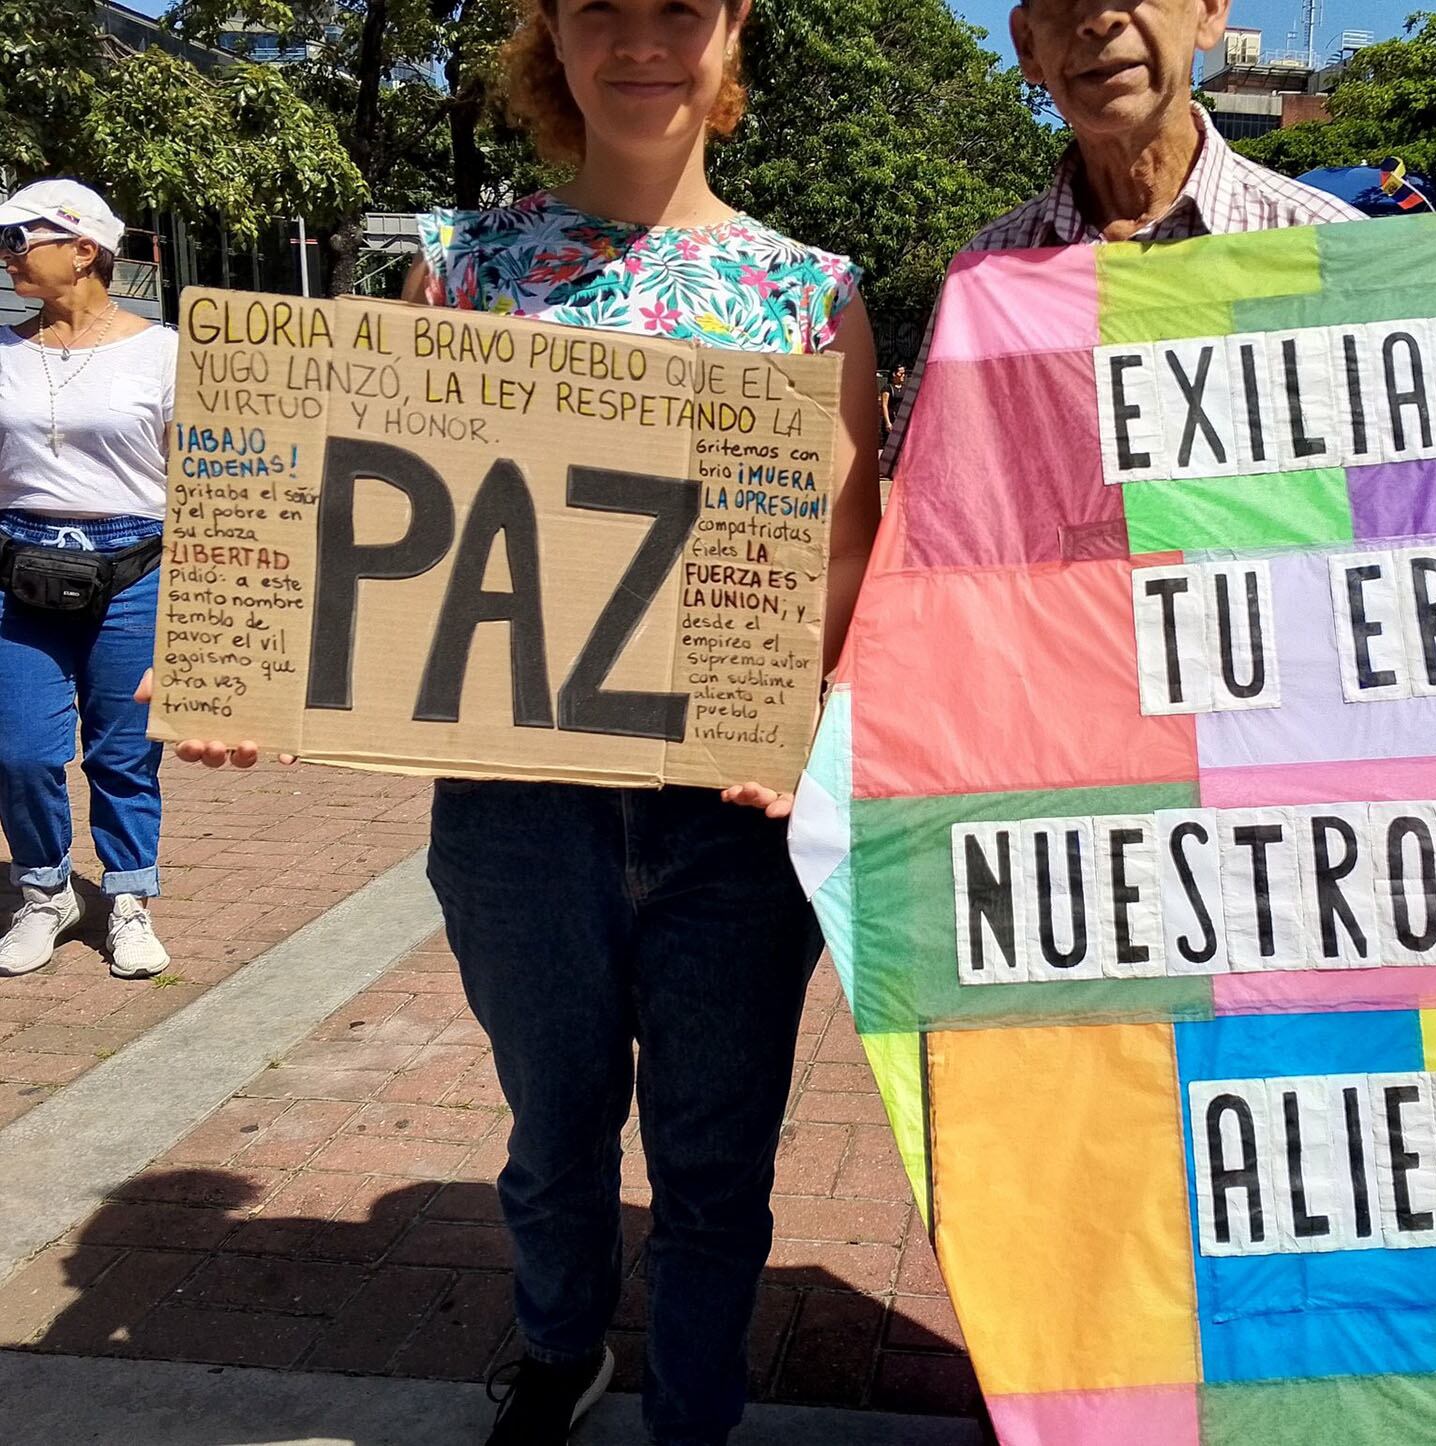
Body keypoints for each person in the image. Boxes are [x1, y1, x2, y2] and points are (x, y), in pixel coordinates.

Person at [165, 0, 883, 1440]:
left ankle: (695, 1405)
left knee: (713, 1155)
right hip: (514, 808)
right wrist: (250, 659)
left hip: (733, 829)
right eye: (597, 8)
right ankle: (560, 1351)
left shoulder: (814, 292)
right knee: (552, 1136)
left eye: (677, 6)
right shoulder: (466, 268)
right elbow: (361, 511)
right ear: (549, 39)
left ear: (730, 28)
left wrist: (795, 718)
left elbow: (844, 556)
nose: (639, 41)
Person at [881, 0, 1362, 473]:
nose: (1100, 19)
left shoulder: (1339, 251)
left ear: (1210, 12)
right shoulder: (985, 276)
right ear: (1027, 44)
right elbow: (935, 509)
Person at [0, 180, 172, 981]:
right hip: (19, 570)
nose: (5, 252)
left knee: (124, 751)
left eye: (17, 236)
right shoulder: (3, 351)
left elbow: (204, 475)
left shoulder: (166, 352)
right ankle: (47, 892)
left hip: (134, 569)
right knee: (21, 752)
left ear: (83, 247)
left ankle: (130, 898)